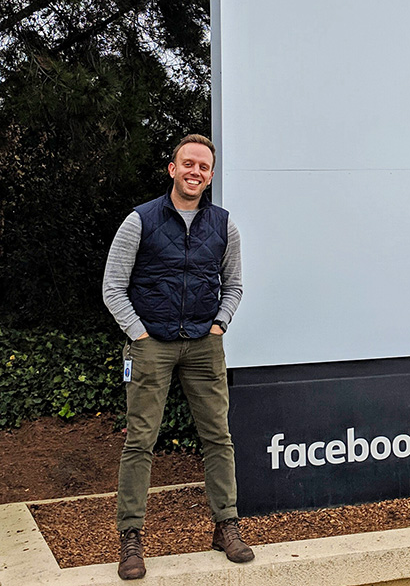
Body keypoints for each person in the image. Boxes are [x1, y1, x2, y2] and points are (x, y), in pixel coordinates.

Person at [102, 134, 253, 580]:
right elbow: (113, 286)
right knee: (140, 441)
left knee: (218, 438)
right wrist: (139, 334)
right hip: (152, 345)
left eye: (203, 167)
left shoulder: (224, 225)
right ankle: (130, 537)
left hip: (205, 345)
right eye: (188, 164)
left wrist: (220, 323)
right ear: (172, 168)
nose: (195, 172)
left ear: (210, 176)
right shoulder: (139, 221)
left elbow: (235, 284)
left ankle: (225, 525)